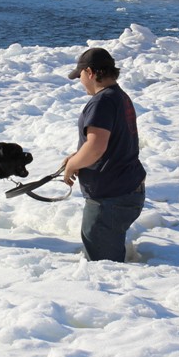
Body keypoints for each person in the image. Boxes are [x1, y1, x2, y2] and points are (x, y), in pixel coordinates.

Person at [62, 47, 146, 262]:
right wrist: (77, 156)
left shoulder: (102, 101)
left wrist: (73, 166)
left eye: (80, 75)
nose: (80, 81)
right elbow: (112, 141)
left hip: (111, 198)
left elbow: (96, 147)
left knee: (104, 267)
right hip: (125, 190)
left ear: (90, 72)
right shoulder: (118, 96)